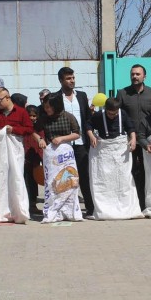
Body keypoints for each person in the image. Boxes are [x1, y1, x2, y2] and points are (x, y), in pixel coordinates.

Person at [86, 97, 141, 220]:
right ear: (106, 109)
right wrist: (92, 136)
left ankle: (125, 207)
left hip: (120, 149)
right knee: (104, 179)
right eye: (110, 113)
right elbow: (88, 125)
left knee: (123, 179)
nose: (112, 116)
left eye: (115, 113)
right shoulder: (99, 115)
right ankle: (106, 208)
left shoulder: (123, 114)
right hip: (104, 150)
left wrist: (133, 139)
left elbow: (130, 128)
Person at [0, 87, 33, 223]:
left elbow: (29, 129)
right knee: (0, 178)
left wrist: (14, 130)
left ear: (7, 98)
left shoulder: (21, 112)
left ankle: (19, 211)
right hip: (0, 151)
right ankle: (1, 212)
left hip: (15, 150)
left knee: (16, 178)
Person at [33, 93, 84, 222]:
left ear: (56, 106)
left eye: (49, 107)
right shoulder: (44, 118)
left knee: (69, 181)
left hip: (66, 154)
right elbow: (33, 131)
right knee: (53, 183)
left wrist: (62, 138)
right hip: (51, 154)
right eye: (45, 107)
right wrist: (40, 139)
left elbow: (77, 134)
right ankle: (53, 211)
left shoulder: (68, 116)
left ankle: (71, 211)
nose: (46, 109)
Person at [116, 64, 151, 210]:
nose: (134, 76)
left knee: (150, 171)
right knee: (131, 171)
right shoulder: (122, 94)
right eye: (132, 74)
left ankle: (150, 203)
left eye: (137, 74)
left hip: (149, 140)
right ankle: (135, 204)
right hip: (129, 140)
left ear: (144, 76)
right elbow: (117, 115)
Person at [56, 67, 94, 217]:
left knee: (84, 176)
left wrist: (90, 134)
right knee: (65, 178)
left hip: (81, 144)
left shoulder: (82, 96)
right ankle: (65, 210)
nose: (72, 81)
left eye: (73, 78)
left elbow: (88, 118)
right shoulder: (56, 98)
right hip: (63, 145)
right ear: (61, 80)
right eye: (68, 78)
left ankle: (90, 208)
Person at [24, 105, 43, 214]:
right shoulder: (23, 126)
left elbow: (41, 142)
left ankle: (32, 205)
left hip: (35, 159)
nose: (32, 118)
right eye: (30, 115)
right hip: (24, 159)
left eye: (34, 116)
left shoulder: (39, 127)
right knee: (25, 182)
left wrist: (41, 158)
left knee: (33, 183)